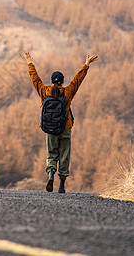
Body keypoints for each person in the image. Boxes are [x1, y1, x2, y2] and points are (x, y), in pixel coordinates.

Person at [23, 52, 98, 193]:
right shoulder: (68, 92)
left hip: (50, 128)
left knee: (52, 153)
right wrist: (86, 64)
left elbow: (35, 79)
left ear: (52, 81)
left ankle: (51, 174)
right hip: (65, 128)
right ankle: (61, 184)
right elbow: (77, 80)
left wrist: (30, 63)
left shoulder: (44, 91)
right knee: (64, 155)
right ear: (62, 82)